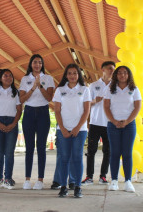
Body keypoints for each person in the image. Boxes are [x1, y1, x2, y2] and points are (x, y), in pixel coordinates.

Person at [53, 63, 91, 198]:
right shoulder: (60, 90)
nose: (72, 76)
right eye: (69, 73)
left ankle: (77, 187)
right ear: (66, 75)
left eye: (75, 73)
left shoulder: (85, 89)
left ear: (78, 75)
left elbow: (87, 110)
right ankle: (63, 187)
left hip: (80, 130)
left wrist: (77, 128)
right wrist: (62, 128)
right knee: (64, 158)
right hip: (63, 129)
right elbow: (57, 111)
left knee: (77, 157)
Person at [19, 54, 54, 190]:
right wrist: (33, 87)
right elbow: (22, 99)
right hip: (28, 113)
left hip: (43, 113)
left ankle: (40, 179)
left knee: (41, 148)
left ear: (42, 64)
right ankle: (27, 179)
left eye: (40, 62)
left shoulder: (48, 78)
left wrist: (40, 86)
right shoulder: (25, 79)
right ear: (31, 64)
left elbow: (49, 98)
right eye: (35, 62)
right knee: (29, 148)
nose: (37, 65)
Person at [104, 66, 141, 193]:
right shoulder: (110, 89)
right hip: (113, 125)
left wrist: (127, 121)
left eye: (125, 73)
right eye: (119, 73)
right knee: (115, 153)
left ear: (129, 75)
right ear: (116, 75)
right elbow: (106, 107)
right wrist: (114, 121)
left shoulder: (134, 89)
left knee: (127, 153)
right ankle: (114, 181)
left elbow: (137, 107)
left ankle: (128, 181)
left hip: (129, 125)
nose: (122, 75)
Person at [82, 61, 115, 186]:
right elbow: (86, 103)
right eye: (109, 68)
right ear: (103, 69)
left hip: (110, 123)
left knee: (108, 151)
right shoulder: (94, 85)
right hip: (95, 123)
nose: (111, 71)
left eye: (113, 69)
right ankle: (89, 177)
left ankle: (103, 176)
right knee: (91, 151)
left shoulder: (116, 86)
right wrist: (95, 100)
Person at [0, 69, 22, 190]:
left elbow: (19, 109)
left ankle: (8, 178)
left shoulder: (15, 92)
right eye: (5, 76)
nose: (8, 78)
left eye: (10, 76)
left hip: (12, 122)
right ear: (0, 78)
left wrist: (13, 123)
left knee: (9, 152)